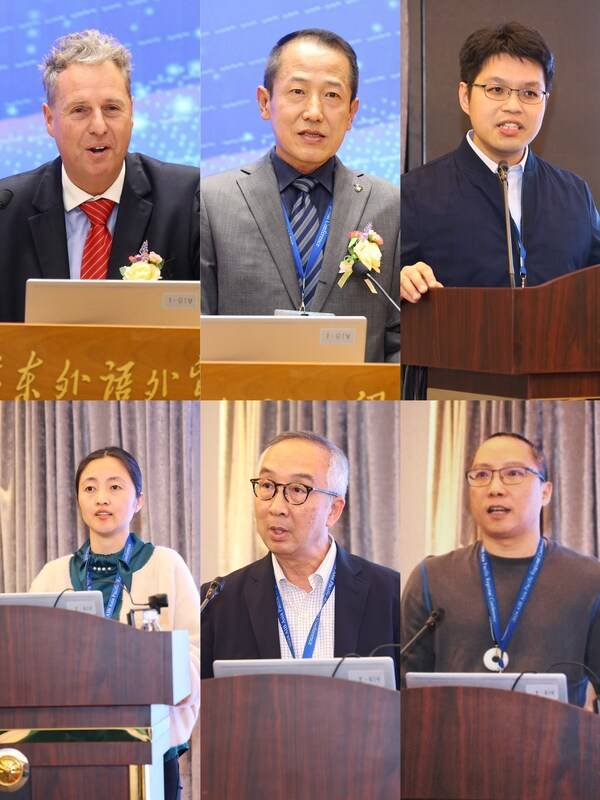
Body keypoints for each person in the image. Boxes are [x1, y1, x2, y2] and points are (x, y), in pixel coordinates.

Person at [201, 29, 400, 362]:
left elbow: (398, 337)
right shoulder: (212, 200)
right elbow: (200, 327)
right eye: (297, 91)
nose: (314, 112)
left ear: (352, 112)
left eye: (332, 96)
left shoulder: (390, 205)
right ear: (265, 102)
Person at [29, 446, 199, 800]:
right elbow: (30, 664)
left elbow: (194, 652)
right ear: (78, 500)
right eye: (89, 488)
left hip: (150, 747)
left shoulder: (166, 565)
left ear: (138, 500)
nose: (101, 498)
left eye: (115, 487)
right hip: (65, 749)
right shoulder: (52, 575)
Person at [0, 29, 199, 322]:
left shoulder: (188, 200)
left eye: (111, 108)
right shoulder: (7, 212)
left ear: (131, 112)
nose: (99, 126)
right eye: (79, 110)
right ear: (49, 120)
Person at [401, 21, 600, 303]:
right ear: (465, 96)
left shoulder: (575, 195)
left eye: (530, 93)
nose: (513, 106)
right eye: (496, 90)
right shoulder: (413, 194)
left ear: (546, 101)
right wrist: (401, 279)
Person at [401, 432, 600, 707]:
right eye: (481, 475)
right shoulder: (431, 577)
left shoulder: (589, 580)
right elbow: (403, 688)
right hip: (451, 744)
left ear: (545, 492)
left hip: (555, 746)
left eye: (513, 473)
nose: (495, 487)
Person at [201, 431, 400, 685]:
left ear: (334, 510)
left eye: (298, 490)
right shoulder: (217, 601)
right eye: (267, 486)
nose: (276, 507)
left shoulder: (390, 594)